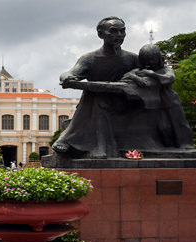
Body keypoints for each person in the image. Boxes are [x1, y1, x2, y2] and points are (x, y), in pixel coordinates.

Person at [53, 16, 138, 158]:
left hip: (126, 103)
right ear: (100, 34)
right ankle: (88, 146)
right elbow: (72, 73)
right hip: (96, 103)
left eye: (122, 31)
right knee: (97, 97)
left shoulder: (132, 59)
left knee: (97, 99)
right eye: (113, 31)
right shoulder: (90, 58)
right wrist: (66, 77)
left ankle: (71, 142)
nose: (119, 35)